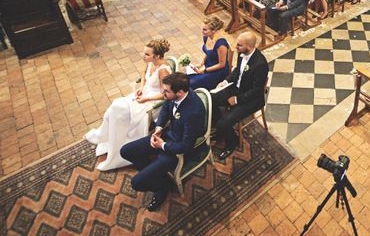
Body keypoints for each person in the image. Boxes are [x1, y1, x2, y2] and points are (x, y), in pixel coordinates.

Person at [120, 72, 206, 211]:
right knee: (126, 151)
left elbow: (186, 145)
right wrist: (159, 128)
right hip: (165, 135)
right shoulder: (177, 94)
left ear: (179, 93)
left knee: (137, 183)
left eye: (166, 91)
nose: (162, 93)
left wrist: (163, 145)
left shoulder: (193, 112)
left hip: (175, 149)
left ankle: (162, 188)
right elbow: (166, 107)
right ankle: (159, 177)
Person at [85, 39, 171, 171]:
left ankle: (118, 152)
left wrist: (146, 98)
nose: (144, 56)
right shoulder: (149, 63)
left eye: (147, 54)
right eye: (144, 53)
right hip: (144, 95)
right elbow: (143, 76)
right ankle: (105, 137)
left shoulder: (163, 70)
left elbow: (165, 94)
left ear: (157, 56)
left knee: (118, 109)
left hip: (153, 101)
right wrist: (141, 88)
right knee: (115, 107)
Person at [211, 32, 269, 160]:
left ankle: (232, 142)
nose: (236, 47)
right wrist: (225, 82)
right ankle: (222, 132)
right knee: (211, 100)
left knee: (223, 123)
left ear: (249, 47)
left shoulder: (260, 64)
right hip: (237, 88)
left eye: (239, 45)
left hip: (251, 99)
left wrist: (237, 100)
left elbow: (256, 91)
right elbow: (238, 70)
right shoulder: (242, 53)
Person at [189, 16, 230, 90]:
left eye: (204, 29)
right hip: (208, 66)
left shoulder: (221, 44)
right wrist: (201, 64)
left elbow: (222, 64)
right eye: (201, 28)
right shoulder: (206, 37)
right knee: (187, 79)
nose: (202, 31)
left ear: (213, 30)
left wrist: (204, 70)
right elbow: (207, 52)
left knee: (191, 83)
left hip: (218, 72)